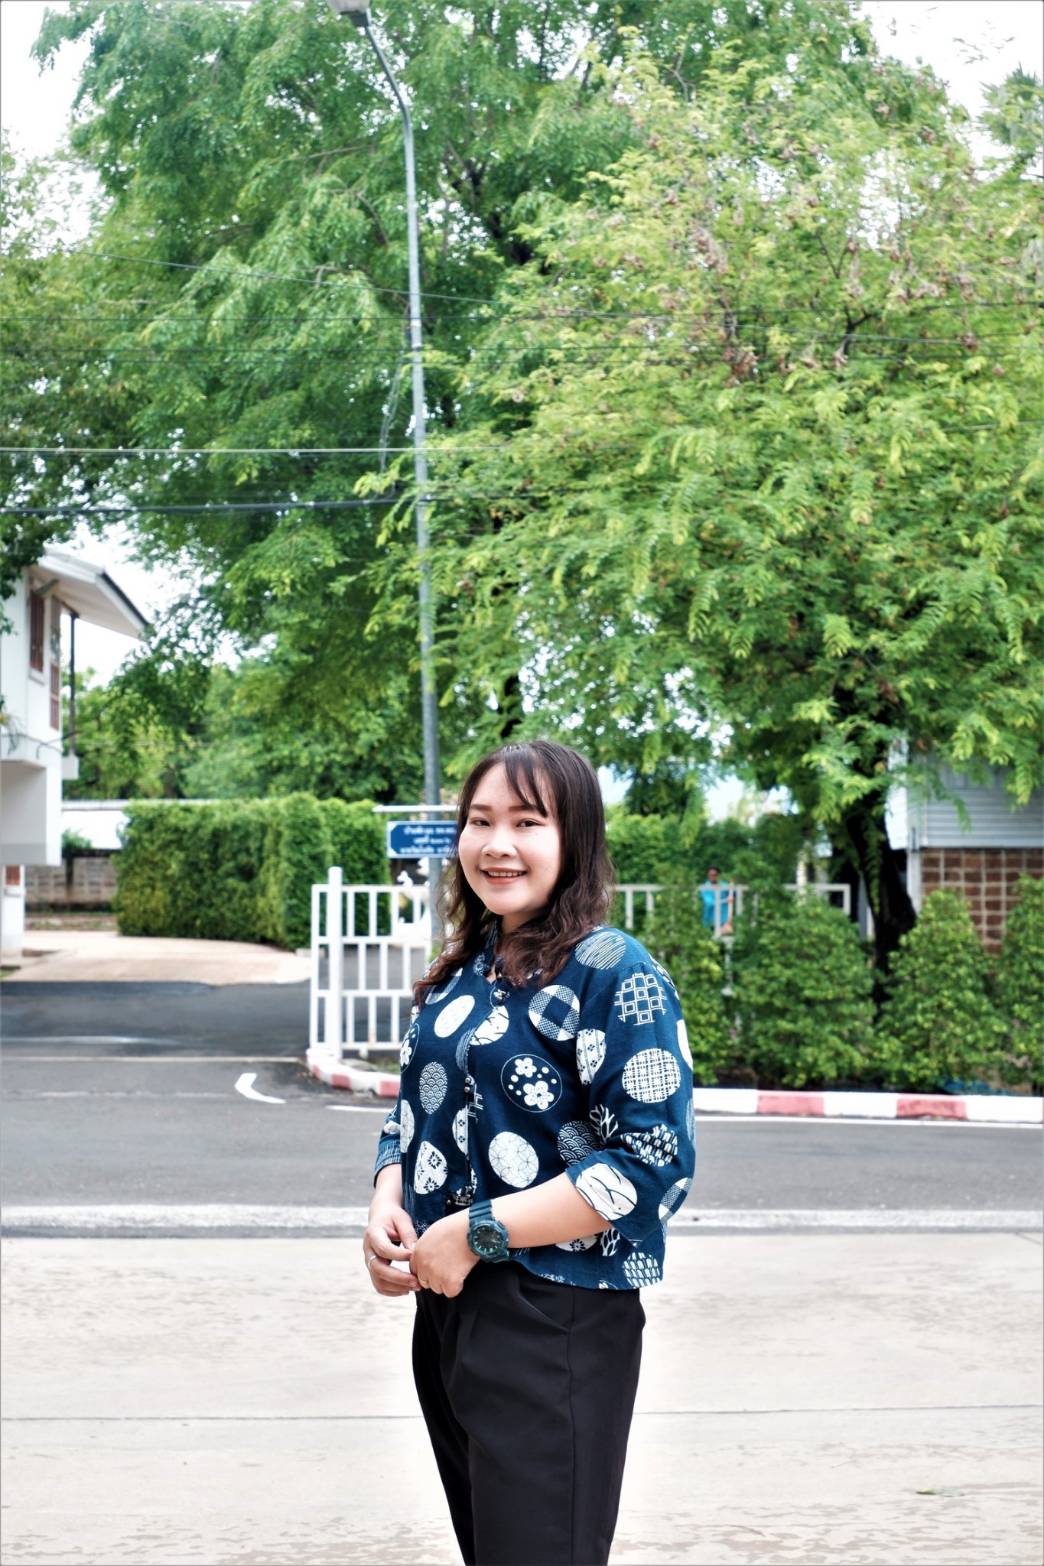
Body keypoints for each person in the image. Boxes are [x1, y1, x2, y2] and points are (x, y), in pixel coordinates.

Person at [364, 739, 696, 1566]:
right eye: (480, 821)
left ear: (574, 837)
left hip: (556, 1316)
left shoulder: (613, 972)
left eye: (526, 822)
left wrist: (475, 1232)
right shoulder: (465, 971)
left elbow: (649, 1168)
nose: (497, 844)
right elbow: (413, 1114)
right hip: (448, 1311)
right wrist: (386, 1201)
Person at [699, 864, 734, 936]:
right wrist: (726, 900)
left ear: (718, 875)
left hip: (723, 920)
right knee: (710, 937)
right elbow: (709, 903)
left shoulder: (724, 885)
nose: (712, 877)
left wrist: (732, 888)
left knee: (728, 933)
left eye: (714, 875)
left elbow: (732, 893)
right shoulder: (705, 887)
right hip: (710, 920)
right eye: (710, 875)